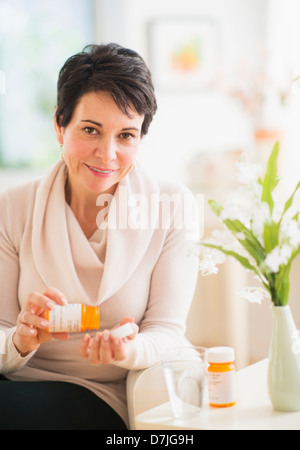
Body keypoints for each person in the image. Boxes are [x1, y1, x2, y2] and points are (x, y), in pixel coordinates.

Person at [0, 43, 199, 430]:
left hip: (94, 394)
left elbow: (167, 331)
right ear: (60, 125)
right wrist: (21, 339)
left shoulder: (172, 205)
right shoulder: (12, 208)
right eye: (90, 130)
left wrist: (128, 349)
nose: (106, 154)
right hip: (14, 380)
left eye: (126, 135)